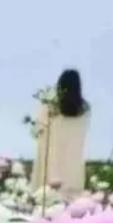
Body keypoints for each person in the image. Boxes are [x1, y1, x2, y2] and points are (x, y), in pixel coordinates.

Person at [31, 69, 90, 198]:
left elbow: (36, 130)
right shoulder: (84, 110)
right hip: (73, 166)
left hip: (51, 163)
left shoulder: (50, 106)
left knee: (47, 199)